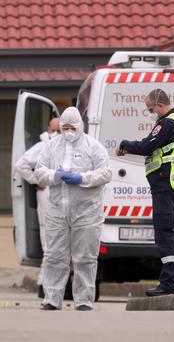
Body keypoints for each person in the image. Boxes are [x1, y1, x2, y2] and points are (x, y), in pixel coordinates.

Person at [35, 107, 111, 311]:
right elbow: (39, 171)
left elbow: (105, 173)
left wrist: (83, 178)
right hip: (57, 210)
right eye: (64, 127)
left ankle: (84, 300)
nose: (68, 131)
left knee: (85, 257)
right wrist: (54, 175)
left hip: (86, 212)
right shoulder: (52, 146)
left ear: (80, 126)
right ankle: (52, 299)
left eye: (72, 127)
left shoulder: (93, 146)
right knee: (54, 256)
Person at [117, 89, 174, 297]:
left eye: (150, 109)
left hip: (165, 185)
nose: (151, 113)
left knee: (165, 233)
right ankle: (171, 282)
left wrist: (125, 145)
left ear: (159, 105)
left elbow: (147, 146)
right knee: (172, 233)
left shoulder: (167, 123)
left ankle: (168, 284)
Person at [14, 117, 60, 296]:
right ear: (48, 129)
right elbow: (21, 165)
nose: (56, 133)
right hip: (47, 197)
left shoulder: (66, 147)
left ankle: (50, 284)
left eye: (60, 129)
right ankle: (44, 283)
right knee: (50, 242)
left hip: (61, 198)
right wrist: (36, 181)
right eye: (54, 129)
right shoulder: (43, 146)